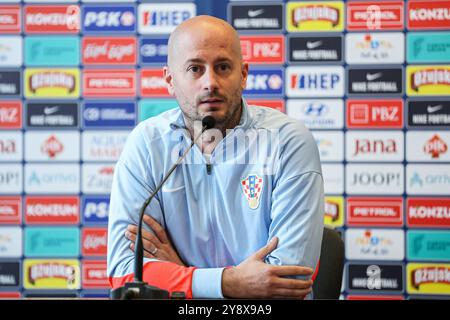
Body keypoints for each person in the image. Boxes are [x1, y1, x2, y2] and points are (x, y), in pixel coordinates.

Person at [107, 15, 324, 299]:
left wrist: (180, 274)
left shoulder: (288, 141)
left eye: (223, 67)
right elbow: (125, 273)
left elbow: (285, 282)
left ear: (244, 74)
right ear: (170, 80)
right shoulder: (147, 144)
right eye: (195, 69)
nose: (210, 82)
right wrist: (229, 283)